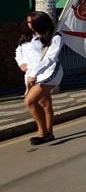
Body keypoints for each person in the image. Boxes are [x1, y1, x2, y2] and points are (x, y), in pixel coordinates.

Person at [15, 11, 63, 145]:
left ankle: (42, 133)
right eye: (28, 22)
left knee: (29, 101)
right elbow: (19, 51)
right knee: (44, 103)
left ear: (41, 22)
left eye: (32, 22)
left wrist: (34, 73)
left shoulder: (55, 37)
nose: (30, 25)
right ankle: (50, 133)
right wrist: (21, 63)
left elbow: (50, 59)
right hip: (30, 73)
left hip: (49, 73)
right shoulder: (27, 35)